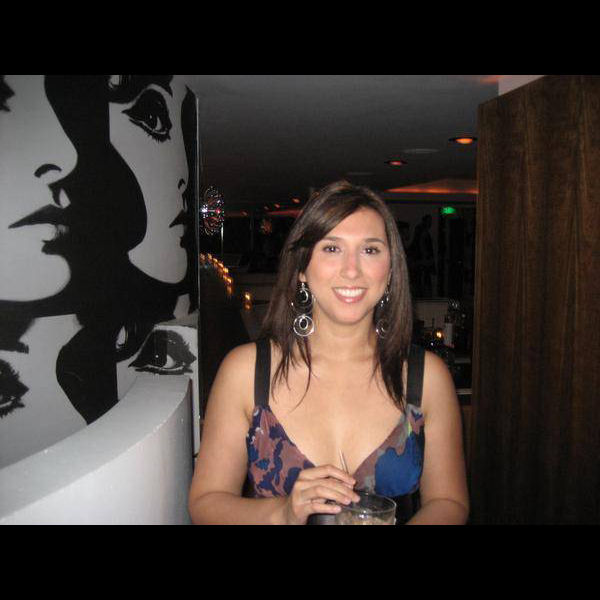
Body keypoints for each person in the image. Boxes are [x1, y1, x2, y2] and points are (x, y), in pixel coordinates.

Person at [188, 181, 468, 524]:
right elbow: (205, 504)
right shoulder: (246, 371)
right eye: (332, 248)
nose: (351, 270)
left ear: (391, 271)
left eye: (370, 250)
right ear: (302, 269)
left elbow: (448, 502)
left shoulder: (426, 377)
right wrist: (283, 512)